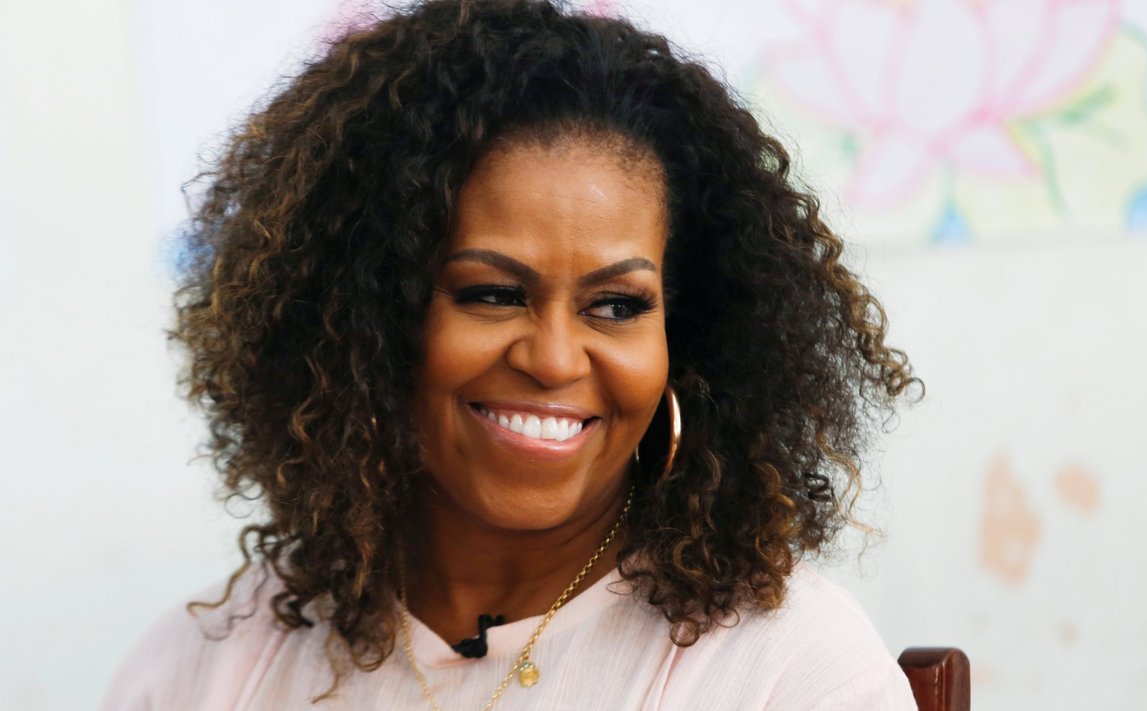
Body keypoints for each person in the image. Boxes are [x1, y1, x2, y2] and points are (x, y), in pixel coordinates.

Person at [102, 0, 922, 708]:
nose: (556, 358)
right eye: (492, 293)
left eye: (617, 306)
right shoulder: (201, 672)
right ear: (368, 324)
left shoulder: (791, 674)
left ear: (690, 341)